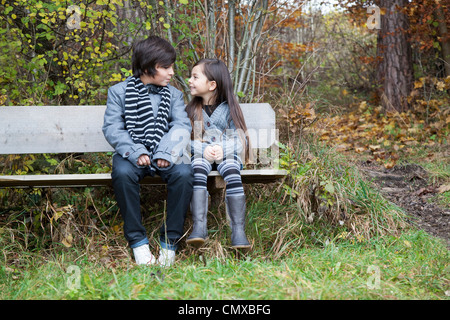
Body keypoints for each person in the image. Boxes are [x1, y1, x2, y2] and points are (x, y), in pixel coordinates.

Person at [102, 36, 193, 267]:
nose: (172, 72)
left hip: (167, 154)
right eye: (166, 67)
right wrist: (135, 151)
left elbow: (181, 126)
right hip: (132, 153)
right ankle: (138, 242)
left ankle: (170, 241)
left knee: (184, 173)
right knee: (122, 174)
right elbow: (113, 128)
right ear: (147, 66)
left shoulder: (173, 94)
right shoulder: (118, 92)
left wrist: (165, 152)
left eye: (172, 66)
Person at [185, 58, 251, 249]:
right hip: (201, 156)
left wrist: (223, 149)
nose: (189, 80)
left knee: (232, 172)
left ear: (212, 84)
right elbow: (183, 141)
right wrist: (202, 149)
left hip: (226, 156)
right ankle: (199, 227)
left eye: (195, 76)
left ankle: (238, 231)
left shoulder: (230, 109)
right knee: (197, 169)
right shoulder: (191, 110)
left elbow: (242, 140)